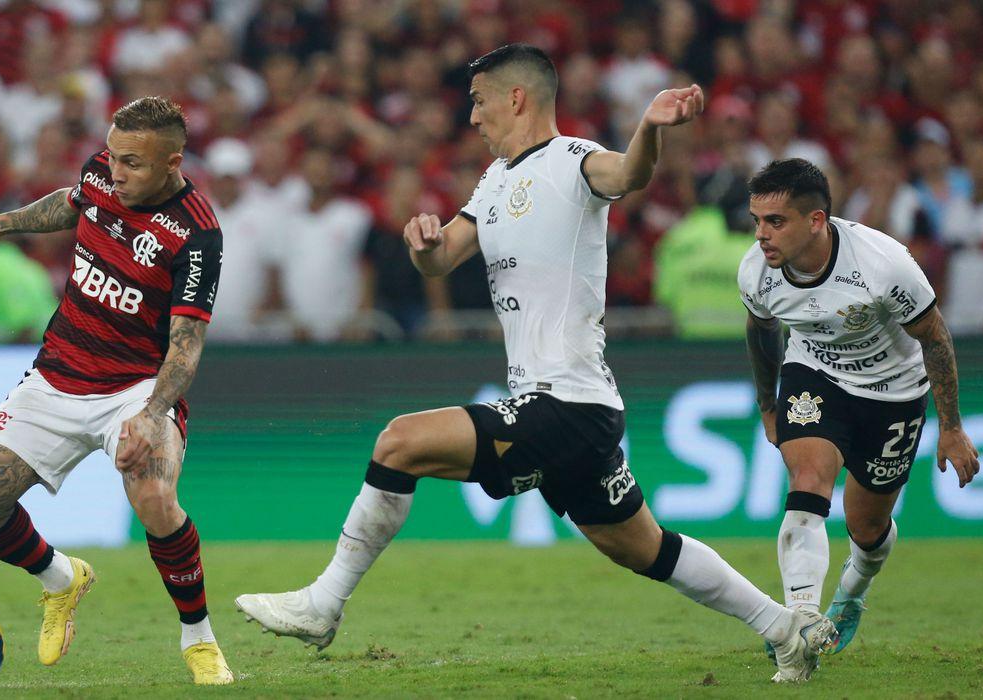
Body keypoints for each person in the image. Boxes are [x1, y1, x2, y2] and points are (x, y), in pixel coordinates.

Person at [236, 44, 838, 684]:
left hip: (565, 402)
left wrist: (649, 128)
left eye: (478, 101)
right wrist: (425, 247)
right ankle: (785, 628)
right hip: (575, 408)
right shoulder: (494, 180)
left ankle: (324, 603)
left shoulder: (573, 162)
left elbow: (629, 175)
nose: (471, 117)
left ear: (515, 98)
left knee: (399, 442)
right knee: (643, 547)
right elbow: (442, 262)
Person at [0, 97, 233, 685]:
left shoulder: (197, 233)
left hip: (135, 389)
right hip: (56, 375)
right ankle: (61, 579)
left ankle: (198, 639)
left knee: (154, 497)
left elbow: (185, 346)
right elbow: (72, 205)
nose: (116, 171)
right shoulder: (103, 170)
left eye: (133, 163)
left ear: (173, 161)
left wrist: (153, 415)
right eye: (113, 156)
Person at [738, 158, 980, 658]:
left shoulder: (882, 264)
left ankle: (851, 594)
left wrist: (951, 427)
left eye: (775, 221)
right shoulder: (755, 273)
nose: (762, 235)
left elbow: (934, 337)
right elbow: (761, 332)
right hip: (814, 376)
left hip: (894, 392)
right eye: (757, 220)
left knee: (867, 530)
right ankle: (800, 622)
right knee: (807, 482)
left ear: (816, 220)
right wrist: (768, 403)